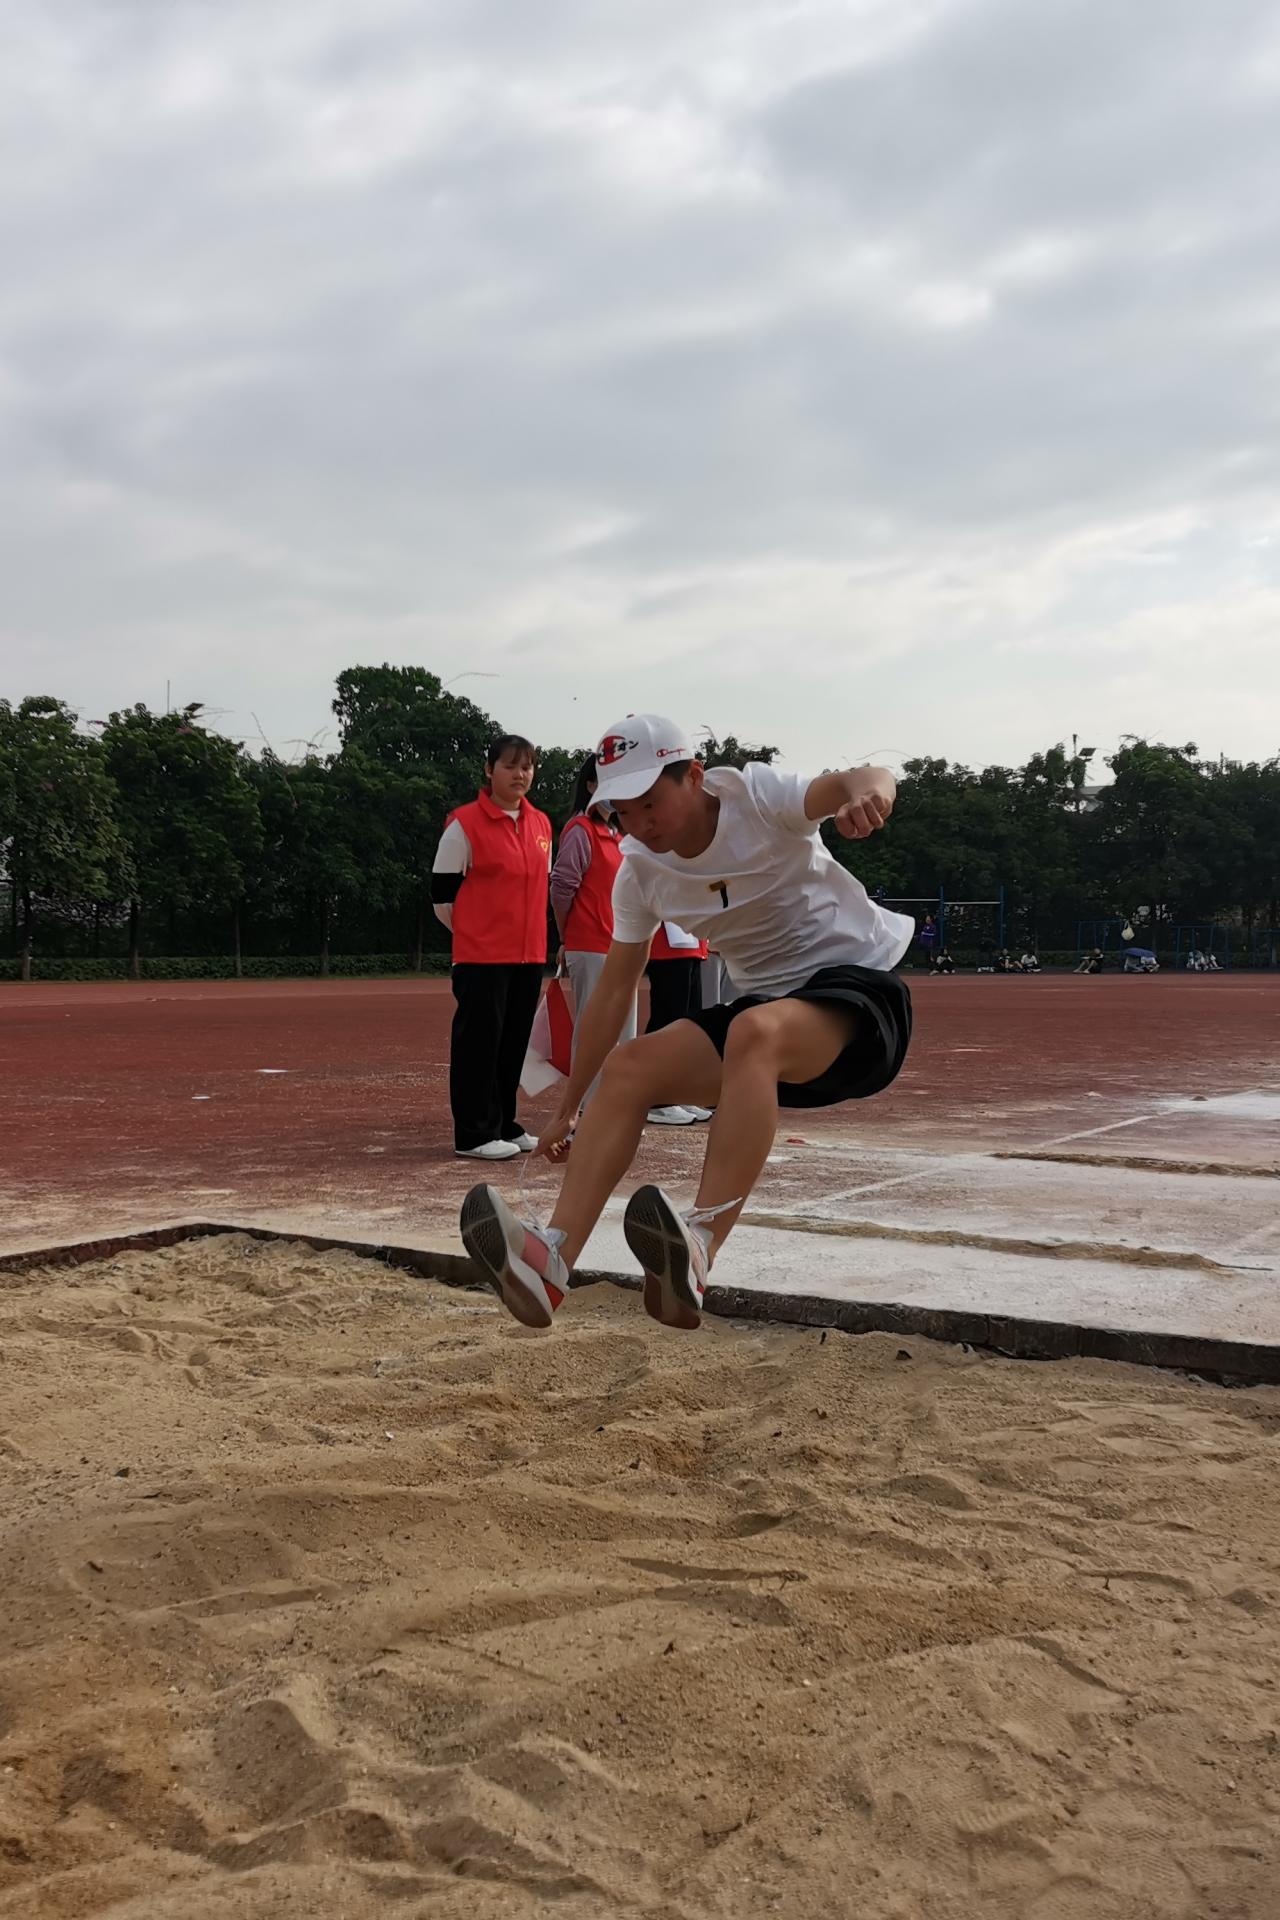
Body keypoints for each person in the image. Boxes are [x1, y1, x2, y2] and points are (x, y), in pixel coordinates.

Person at [458, 713, 914, 1332]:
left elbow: (864, 776)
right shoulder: (640, 873)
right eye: (623, 811)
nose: (639, 824)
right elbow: (612, 994)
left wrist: (870, 796)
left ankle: (699, 1246)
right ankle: (551, 1259)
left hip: (859, 998)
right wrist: (568, 1108)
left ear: (693, 777)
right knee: (630, 1066)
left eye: (650, 803)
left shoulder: (756, 797)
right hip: (767, 1014)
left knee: (754, 1031)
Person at [431, 735, 552, 1161]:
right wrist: (475, 932)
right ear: (489, 770)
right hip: (482, 956)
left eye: (527, 767)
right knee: (479, 1045)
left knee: (512, 1043)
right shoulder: (464, 825)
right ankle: (473, 1133)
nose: (520, 775)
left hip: (529, 954)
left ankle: (503, 1124)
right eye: (510, 766)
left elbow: (541, 886)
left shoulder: (541, 824)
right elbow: (442, 897)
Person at [551, 754, 637, 1108]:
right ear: (590, 786)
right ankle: (586, 1106)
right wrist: (565, 935)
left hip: (620, 945)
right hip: (589, 943)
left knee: (624, 1030)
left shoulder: (618, 834)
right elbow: (561, 888)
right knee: (593, 1028)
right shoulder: (581, 830)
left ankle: (617, 1104)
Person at [644, 920, 714, 1125]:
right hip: (667, 945)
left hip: (692, 943)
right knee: (667, 1023)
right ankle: (657, 1100)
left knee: (690, 1025)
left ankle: (680, 1094)